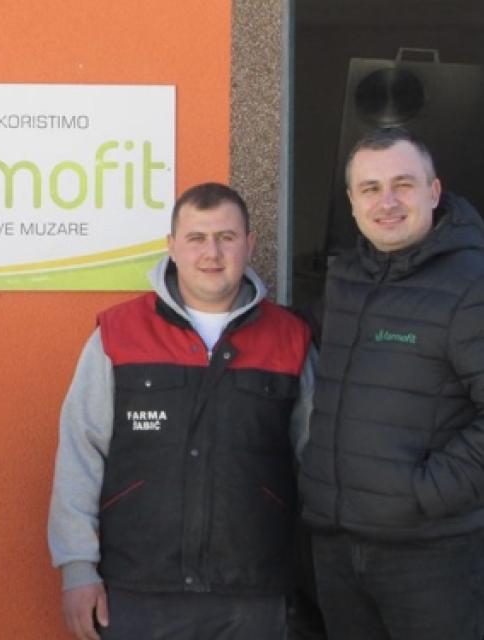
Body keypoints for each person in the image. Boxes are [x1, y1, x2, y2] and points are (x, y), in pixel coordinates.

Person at [48, 183, 314, 640]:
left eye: (226, 237)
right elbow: (80, 454)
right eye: (196, 238)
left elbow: (317, 463)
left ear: (249, 244)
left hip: (253, 593)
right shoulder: (118, 333)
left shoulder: (290, 339)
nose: (212, 253)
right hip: (137, 590)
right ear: (172, 246)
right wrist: (77, 568)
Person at [298, 127, 484, 639]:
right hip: (338, 546)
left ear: (434, 192)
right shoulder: (346, 279)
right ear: (352, 201)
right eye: (371, 188)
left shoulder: (472, 283)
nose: (387, 202)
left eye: (403, 184)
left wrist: (424, 493)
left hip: (432, 555)